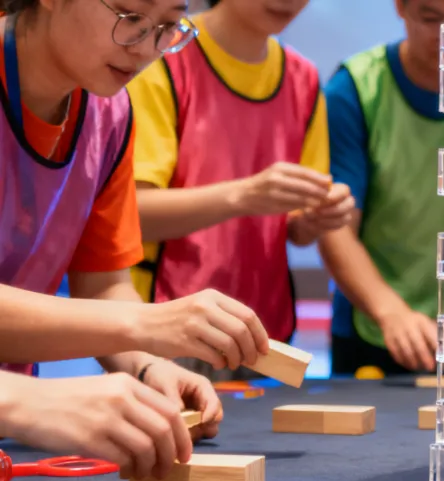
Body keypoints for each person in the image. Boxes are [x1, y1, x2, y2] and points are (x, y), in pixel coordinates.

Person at [0, 0, 271, 480]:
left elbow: (103, 283)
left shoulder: (109, 111)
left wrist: (146, 366)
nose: (146, 49)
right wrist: (25, 399)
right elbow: (119, 313)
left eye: (167, 26)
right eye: (129, 16)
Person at [126, 0, 353, 381]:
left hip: (264, 335)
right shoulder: (163, 61)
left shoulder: (302, 77)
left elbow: (295, 228)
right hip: (168, 330)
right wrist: (244, 195)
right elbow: (131, 215)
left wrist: (316, 219)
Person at [320, 0, 444, 376]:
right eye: (430, 18)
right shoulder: (355, 88)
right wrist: (390, 311)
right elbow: (334, 227)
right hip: (375, 331)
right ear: (400, 8)